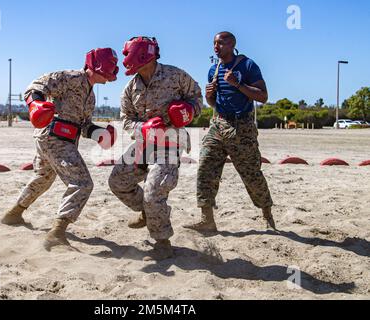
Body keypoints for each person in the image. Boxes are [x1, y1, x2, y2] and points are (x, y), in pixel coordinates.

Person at [1, 48, 119, 250]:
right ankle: (57, 233)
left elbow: (83, 125)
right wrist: (36, 105)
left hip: (59, 140)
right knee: (82, 183)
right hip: (54, 139)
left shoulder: (90, 96)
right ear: (97, 65)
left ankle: (13, 214)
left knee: (43, 178)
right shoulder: (70, 77)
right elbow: (35, 87)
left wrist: (98, 133)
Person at [108, 36, 203, 261]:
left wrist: (187, 111)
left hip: (170, 142)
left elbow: (197, 99)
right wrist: (143, 128)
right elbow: (126, 120)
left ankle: (162, 243)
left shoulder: (176, 76)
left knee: (153, 192)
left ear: (144, 55)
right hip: (144, 143)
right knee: (118, 181)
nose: (126, 60)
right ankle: (147, 212)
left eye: (129, 54)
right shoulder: (131, 88)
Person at [184, 31, 275, 232]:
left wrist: (238, 84)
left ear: (232, 44)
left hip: (241, 126)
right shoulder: (213, 69)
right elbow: (213, 103)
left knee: (251, 173)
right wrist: (209, 96)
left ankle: (267, 213)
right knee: (206, 166)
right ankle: (207, 218)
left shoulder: (248, 65)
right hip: (218, 124)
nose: (216, 47)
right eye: (214, 43)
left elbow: (263, 96)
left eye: (221, 43)